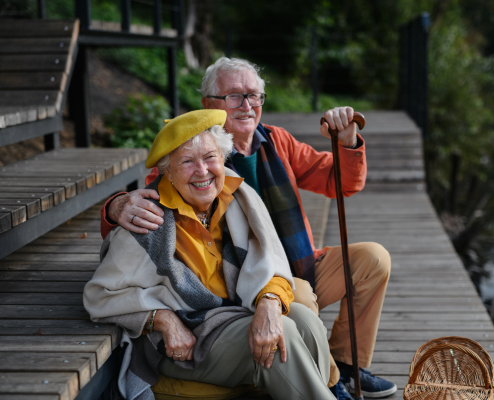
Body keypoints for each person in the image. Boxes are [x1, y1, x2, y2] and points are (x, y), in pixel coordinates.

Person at [100, 57, 395, 399]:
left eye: (254, 96)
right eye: (235, 96)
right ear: (208, 104)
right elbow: (153, 205)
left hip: (297, 262)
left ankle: (346, 364)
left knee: (373, 259)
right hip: (246, 281)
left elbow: (338, 182)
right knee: (296, 297)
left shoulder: (276, 141)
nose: (247, 105)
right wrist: (116, 205)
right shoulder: (200, 154)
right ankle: (328, 383)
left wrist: (346, 141)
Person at [84, 109, 335, 400]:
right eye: (187, 162)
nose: (202, 171)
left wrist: (268, 301)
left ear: (223, 157)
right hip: (190, 336)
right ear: (167, 171)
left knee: (304, 319)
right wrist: (162, 318)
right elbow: (99, 296)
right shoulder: (147, 219)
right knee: (287, 337)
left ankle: (325, 389)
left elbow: (271, 260)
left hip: (232, 314)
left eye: (209, 157)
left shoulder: (239, 196)